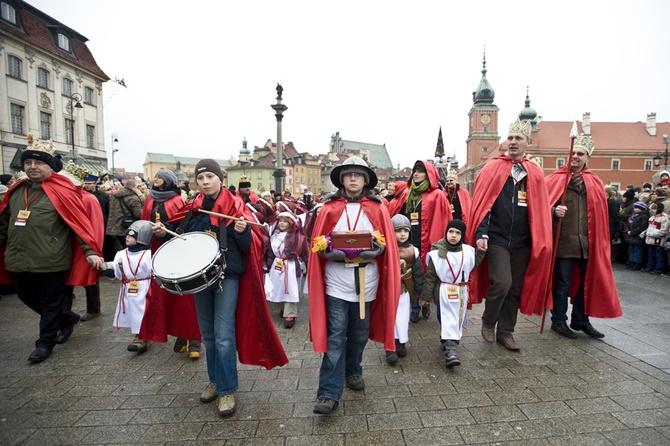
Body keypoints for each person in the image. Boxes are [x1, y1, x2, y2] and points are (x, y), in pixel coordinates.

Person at [152, 158, 287, 417]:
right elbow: (180, 233)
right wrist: (162, 231)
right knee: (209, 335)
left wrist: (241, 231)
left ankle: (226, 390)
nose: (205, 182)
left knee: (224, 335)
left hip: (228, 276)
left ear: (220, 179)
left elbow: (251, 247)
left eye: (210, 178)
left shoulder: (237, 207)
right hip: (199, 278)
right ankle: (214, 381)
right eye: (200, 179)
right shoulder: (193, 207)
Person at [308, 156, 400, 415]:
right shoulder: (328, 208)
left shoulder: (378, 208)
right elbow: (317, 244)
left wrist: (378, 250)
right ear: (341, 180)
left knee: (359, 334)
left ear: (365, 180)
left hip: (367, 281)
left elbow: (387, 246)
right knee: (336, 336)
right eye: (348, 175)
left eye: (357, 175)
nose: (352, 179)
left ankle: (353, 369)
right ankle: (328, 392)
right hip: (336, 283)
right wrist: (327, 254)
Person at [0, 136, 104, 362]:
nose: (33, 167)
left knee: (50, 302)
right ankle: (66, 318)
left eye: (39, 163)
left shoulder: (63, 191)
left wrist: (91, 251)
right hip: (17, 259)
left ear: (50, 166)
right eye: (28, 163)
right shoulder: (16, 191)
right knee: (26, 296)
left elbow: (79, 225)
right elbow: (3, 223)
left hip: (51, 260)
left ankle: (45, 343)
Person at [466, 118, 553, 351]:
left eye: (519, 138)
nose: (513, 142)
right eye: (511, 138)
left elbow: (541, 207)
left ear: (528, 142)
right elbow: (484, 204)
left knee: (515, 288)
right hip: (497, 239)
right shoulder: (493, 167)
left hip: (524, 242)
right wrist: (481, 232)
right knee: (503, 282)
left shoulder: (534, 171)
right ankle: (488, 320)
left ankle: (506, 332)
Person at [546, 134, 622, 339]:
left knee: (587, 282)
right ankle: (558, 320)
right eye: (573, 153)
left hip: (587, 244)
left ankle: (580, 319)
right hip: (563, 243)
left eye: (580, 154)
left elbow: (600, 215)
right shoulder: (555, 179)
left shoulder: (595, 182)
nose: (576, 157)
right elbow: (540, 208)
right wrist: (553, 211)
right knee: (562, 283)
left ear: (588, 157)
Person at [138, 168, 202, 358]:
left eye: (159, 177)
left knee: (183, 295)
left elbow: (180, 224)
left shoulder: (176, 200)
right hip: (155, 246)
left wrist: (166, 232)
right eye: (155, 176)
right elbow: (144, 221)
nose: (155, 179)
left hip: (173, 248)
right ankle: (148, 334)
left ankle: (193, 339)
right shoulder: (150, 198)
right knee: (157, 292)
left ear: (167, 181)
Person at [387, 160, 451, 323]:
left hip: (428, 242)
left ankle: (426, 303)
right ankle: (415, 307)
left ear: (428, 174)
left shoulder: (437, 196)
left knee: (426, 275)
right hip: (408, 242)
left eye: (420, 171)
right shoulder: (407, 194)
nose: (415, 174)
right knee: (410, 276)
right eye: (414, 171)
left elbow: (443, 221)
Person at [421, 219, 484, 367]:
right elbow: (430, 277)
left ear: (462, 236)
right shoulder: (437, 253)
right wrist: (425, 297)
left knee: (456, 319)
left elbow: (473, 264)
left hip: (460, 292)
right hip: (443, 292)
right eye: (451, 232)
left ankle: (449, 342)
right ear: (446, 232)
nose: (453, 235)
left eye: (457, 233)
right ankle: (451, 351)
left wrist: (481, 251)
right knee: (446, 319)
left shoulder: (467, 251)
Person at [101, 221, 153, 352]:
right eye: (127, 235)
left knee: (142, 311)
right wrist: (103, 267)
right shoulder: (121, 254)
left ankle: (140, 337)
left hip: (144, 287)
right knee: (132, 312)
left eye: (132, 235)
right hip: (128, 288)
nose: (127, 237)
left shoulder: (149, 255)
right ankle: (140, 335)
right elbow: (115, 269)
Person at [386, 214, 424, 364]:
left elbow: (418, 272)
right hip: (389, 290)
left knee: (402, 318)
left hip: (405, 291)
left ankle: (401, 342)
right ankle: (390, 347)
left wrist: (420, 291)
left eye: (405, 231)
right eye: (398, 230)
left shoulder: (413, 250)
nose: (402, 234)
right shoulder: (387, 249)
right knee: (390, 317)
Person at [263, 211, 309, 328]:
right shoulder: (274, 236)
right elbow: (270, 254)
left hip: (291, 266)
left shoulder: (299, 237)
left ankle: (290, 314)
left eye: (285, 221)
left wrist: (309, 265)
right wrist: (267, 267)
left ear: (291, 223)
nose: (282, 223)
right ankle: (284, 308)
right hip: (277, 265)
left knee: (290, 289)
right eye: (280, 221)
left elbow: (305, 253)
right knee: (278, 287)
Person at [106, 178, 143, 252]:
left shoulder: (115, 196)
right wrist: (142, 199)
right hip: (126, 228)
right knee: (128, 251)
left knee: (118, 251)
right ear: (133, 187)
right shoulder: (133, 198)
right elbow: (139, 214)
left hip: (113, 228)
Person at [644, 203, 669, 274]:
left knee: (659, 254)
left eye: (655, 209)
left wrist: (652, 234)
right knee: (651, 254)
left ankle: (659, 268)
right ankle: (650, 266)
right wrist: (645, 233)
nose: (653, 211)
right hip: (650, 239)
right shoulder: (652, 218)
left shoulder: (664, 218)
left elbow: (664, 230)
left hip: (659, 239)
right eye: (652, 209)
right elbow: (649, 228)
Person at [626, 202, 649, 270]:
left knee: (637, 250)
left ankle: (637, 263)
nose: (635, 209)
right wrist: (628, 230)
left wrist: (633, 232)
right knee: (631, 249)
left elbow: (642, 226)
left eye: (637, 208)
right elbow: (629, 224)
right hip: (631, 235)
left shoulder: (644, 217)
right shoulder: (634, 216)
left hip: (638, 235)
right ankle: (632, 262)